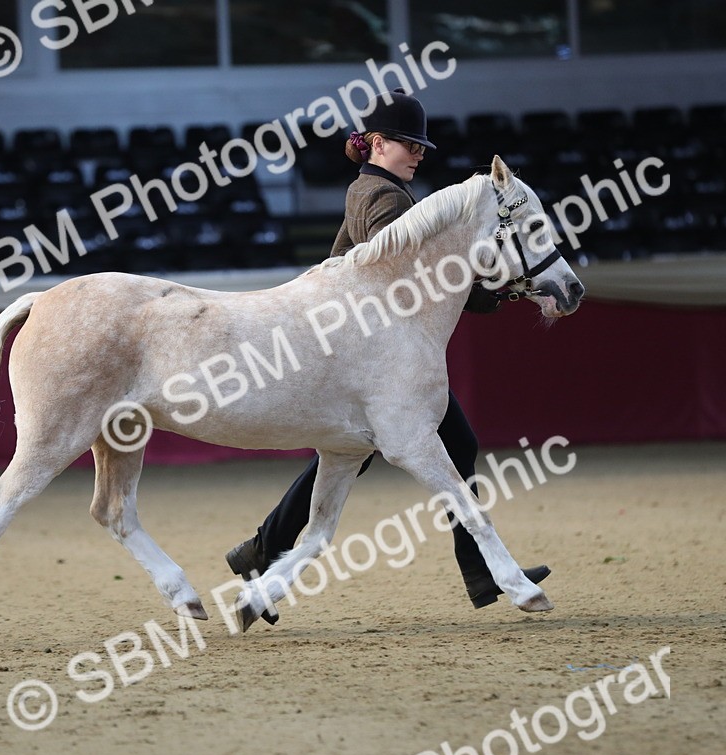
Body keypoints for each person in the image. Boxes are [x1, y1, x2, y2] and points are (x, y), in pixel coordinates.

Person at [225, 88, 550, 624]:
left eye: (420, 144)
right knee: (382, 452)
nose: (418, 152)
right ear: (376, 143)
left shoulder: (380, 188)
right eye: (406, 143)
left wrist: (494, 290)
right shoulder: (383, 196)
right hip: (377, 358)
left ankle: (262, 549)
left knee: (388, 452)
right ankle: (263, 547)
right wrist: (492, 290)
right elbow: (398, 273)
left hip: (375, 353)